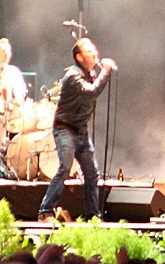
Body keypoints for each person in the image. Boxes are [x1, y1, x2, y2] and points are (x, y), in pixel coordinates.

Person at [37, 38, 116, 222]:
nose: (95, 52)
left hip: (81, 130)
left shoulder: (90, 74)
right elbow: (91, 92)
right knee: (65, 167)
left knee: (92, 174)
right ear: (79, 57)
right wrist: (105, 71)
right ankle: (45, 211)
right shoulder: (73, 76)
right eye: (89, 50)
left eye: (94, 48)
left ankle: (93, 216)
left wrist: (101, 73)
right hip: (65, 128)